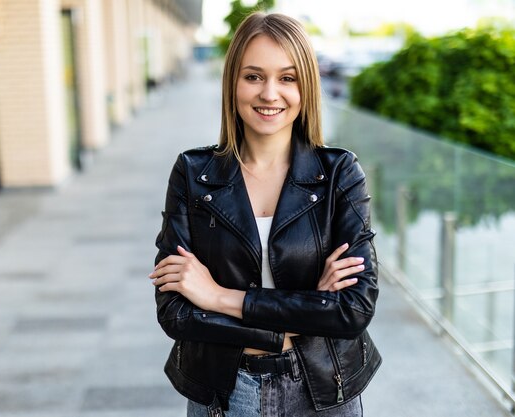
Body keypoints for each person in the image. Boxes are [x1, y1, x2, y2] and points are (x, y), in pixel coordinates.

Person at [149, 12, 381, 417]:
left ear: (305, 87)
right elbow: (176, 312)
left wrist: (219, 297)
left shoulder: (339, 174)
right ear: (232, 84)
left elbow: (353, 309)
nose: (270, 93)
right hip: (223, 390)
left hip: (323, 391)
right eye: (253, 76)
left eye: (287, 78)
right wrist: (311, 308)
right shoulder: (193, 173)